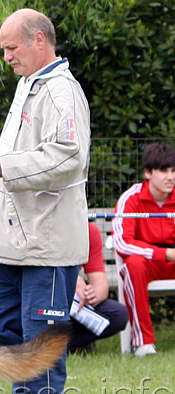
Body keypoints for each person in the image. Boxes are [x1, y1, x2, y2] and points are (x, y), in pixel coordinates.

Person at [0, 9, 90, 394]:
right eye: (4, 49)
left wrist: (8, 165)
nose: (6, 57)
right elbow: (27, 152)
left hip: (48, 244)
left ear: (40, 40)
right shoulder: (29, 86)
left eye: (11, 48)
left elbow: (70, 155)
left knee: (42, 338)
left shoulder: (62, 92)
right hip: (12, 243)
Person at [113, 141, 175, 357]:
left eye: (173, 170)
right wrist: (164, 254)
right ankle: (143, 343)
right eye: (163, 171)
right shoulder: (130, 198)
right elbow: (122, 243)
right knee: (133, 265)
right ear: (148, 172)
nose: (170, 177)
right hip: (147, 263)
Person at [69, 222, 128, 352]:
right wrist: (71, 280)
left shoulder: (89, 230)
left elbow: (100, 282)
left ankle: (66, 346)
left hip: (75, 304)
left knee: (119, 315)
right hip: (45, 296)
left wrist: (92, 294)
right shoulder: (46, 226)